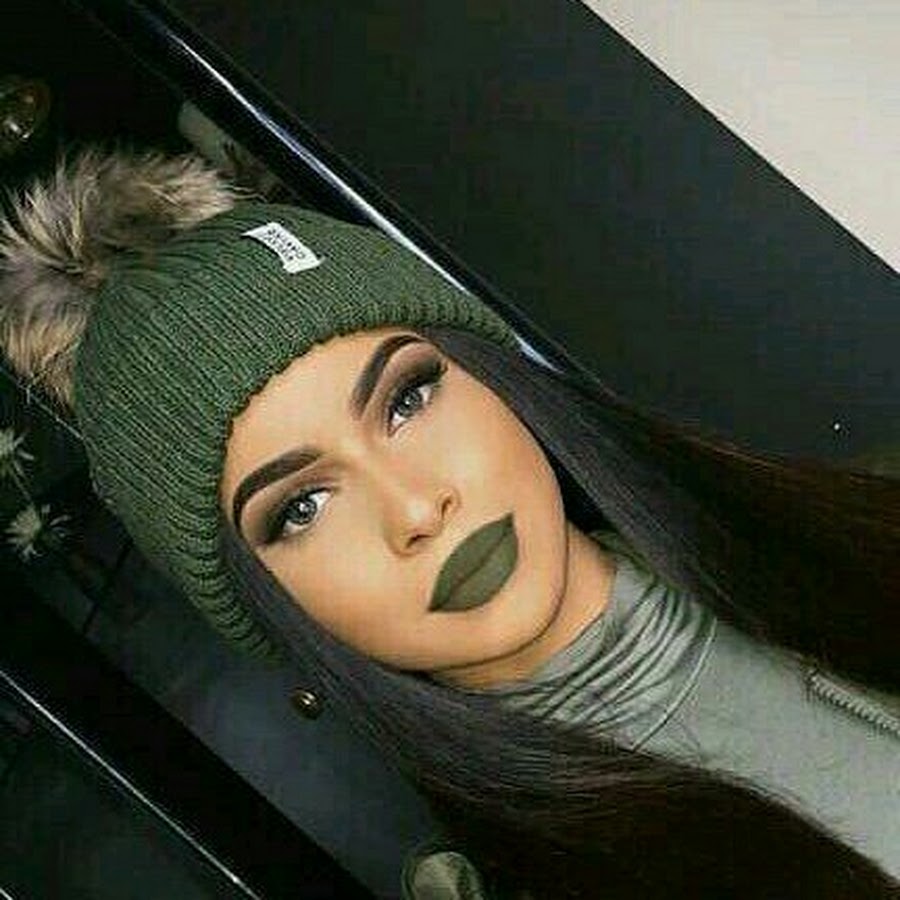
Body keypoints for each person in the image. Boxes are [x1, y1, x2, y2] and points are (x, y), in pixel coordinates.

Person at [1, 148, 898, 899]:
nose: (415, 507)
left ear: (490, 377)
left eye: (407, 399)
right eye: (301, 508)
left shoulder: (855, 520)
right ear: (260, 598)